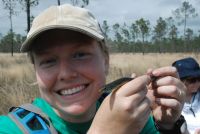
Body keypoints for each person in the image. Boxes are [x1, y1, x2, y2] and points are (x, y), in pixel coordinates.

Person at [0, 4, 188, 134]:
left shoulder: (135, 116)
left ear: (105, 60)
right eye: (48, 60)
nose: (66, 74)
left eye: (80, 55)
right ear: (36, 70)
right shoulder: (10, 128)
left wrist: (165, 127)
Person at [173, 57, 200, 134]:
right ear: (179, 81)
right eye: (192, 80)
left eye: (199, 78)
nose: (198, 83)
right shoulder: (172, 103)